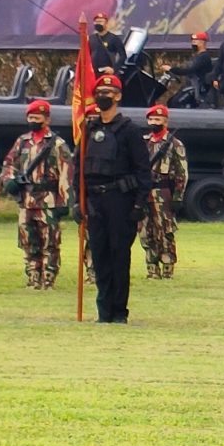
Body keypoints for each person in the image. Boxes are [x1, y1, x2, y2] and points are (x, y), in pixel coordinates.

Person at [72, 70, 152, 323]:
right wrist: (78, 200)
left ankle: (119, 311)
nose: (102, 96)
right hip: (94, 202)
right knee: (99, 256)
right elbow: (78, 168)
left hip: (120, 200)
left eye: (108, 93)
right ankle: (103, 311)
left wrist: (140, 203)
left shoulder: (129, 131)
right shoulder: (88, 128)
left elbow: (142, 170)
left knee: (119, 256)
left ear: (118, 96)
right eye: (99, 93)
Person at [0, 102, 71, 289]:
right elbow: (9, 164)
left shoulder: (57, 144)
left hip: (48, 199)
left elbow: (66, 173)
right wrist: (9, 181)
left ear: (47, 119)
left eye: (37, 118)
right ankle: (32, 276)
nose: (33, 121)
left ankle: (48, 278)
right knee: (27, 240)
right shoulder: (22, 142)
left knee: (50, 241)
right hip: (26, 199)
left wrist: (65, 201)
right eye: (30, 118)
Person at [139, 104, 188, 279]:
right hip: (144, 193)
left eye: (158, 120)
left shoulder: (174, 144)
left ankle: (167, 267)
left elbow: (182, 172)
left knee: (165, 231)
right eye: (151, 119)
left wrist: (178, 196)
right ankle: (151, 268)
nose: (154, 122)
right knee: (146, 231)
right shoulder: (143, 143)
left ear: (165, 121)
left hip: (163, 193)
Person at [175, 30, 216, 105]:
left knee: (177, 102)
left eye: (195, 41)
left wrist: (173, 70)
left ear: (203, 42)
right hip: (194, 87)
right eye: (192, 41)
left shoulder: (204, 57)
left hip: (201, 90)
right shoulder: (197, 56)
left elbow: (191, 70)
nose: (193, 43)